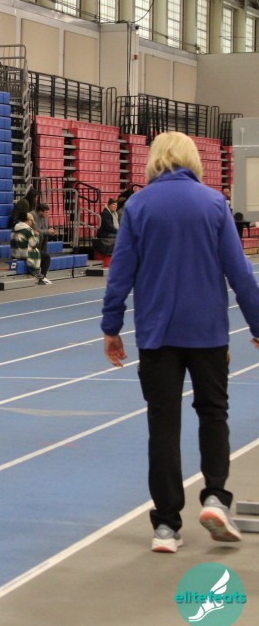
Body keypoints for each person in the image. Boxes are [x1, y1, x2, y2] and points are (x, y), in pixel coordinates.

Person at [101, 131, 259, 553]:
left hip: (157, 335)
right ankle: (215, 498)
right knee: (213, 413)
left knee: (163, 425)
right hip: (207, 333)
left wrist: (111, 326)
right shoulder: (214, 203)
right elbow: (240, 273)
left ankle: (167, 526)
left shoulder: (137, 206)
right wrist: (258, 326)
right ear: (193, 160)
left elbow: (121, 273)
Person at [11, 213, 51, 284]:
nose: (32, 224)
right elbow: (34, 244)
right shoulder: (28, 230)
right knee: (46, 257)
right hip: (24, 254)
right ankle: (42, 278)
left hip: (15, 253)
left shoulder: (14, 228)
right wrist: (36, 236)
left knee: (40, 253)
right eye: (32, 222)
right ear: (29, 220)